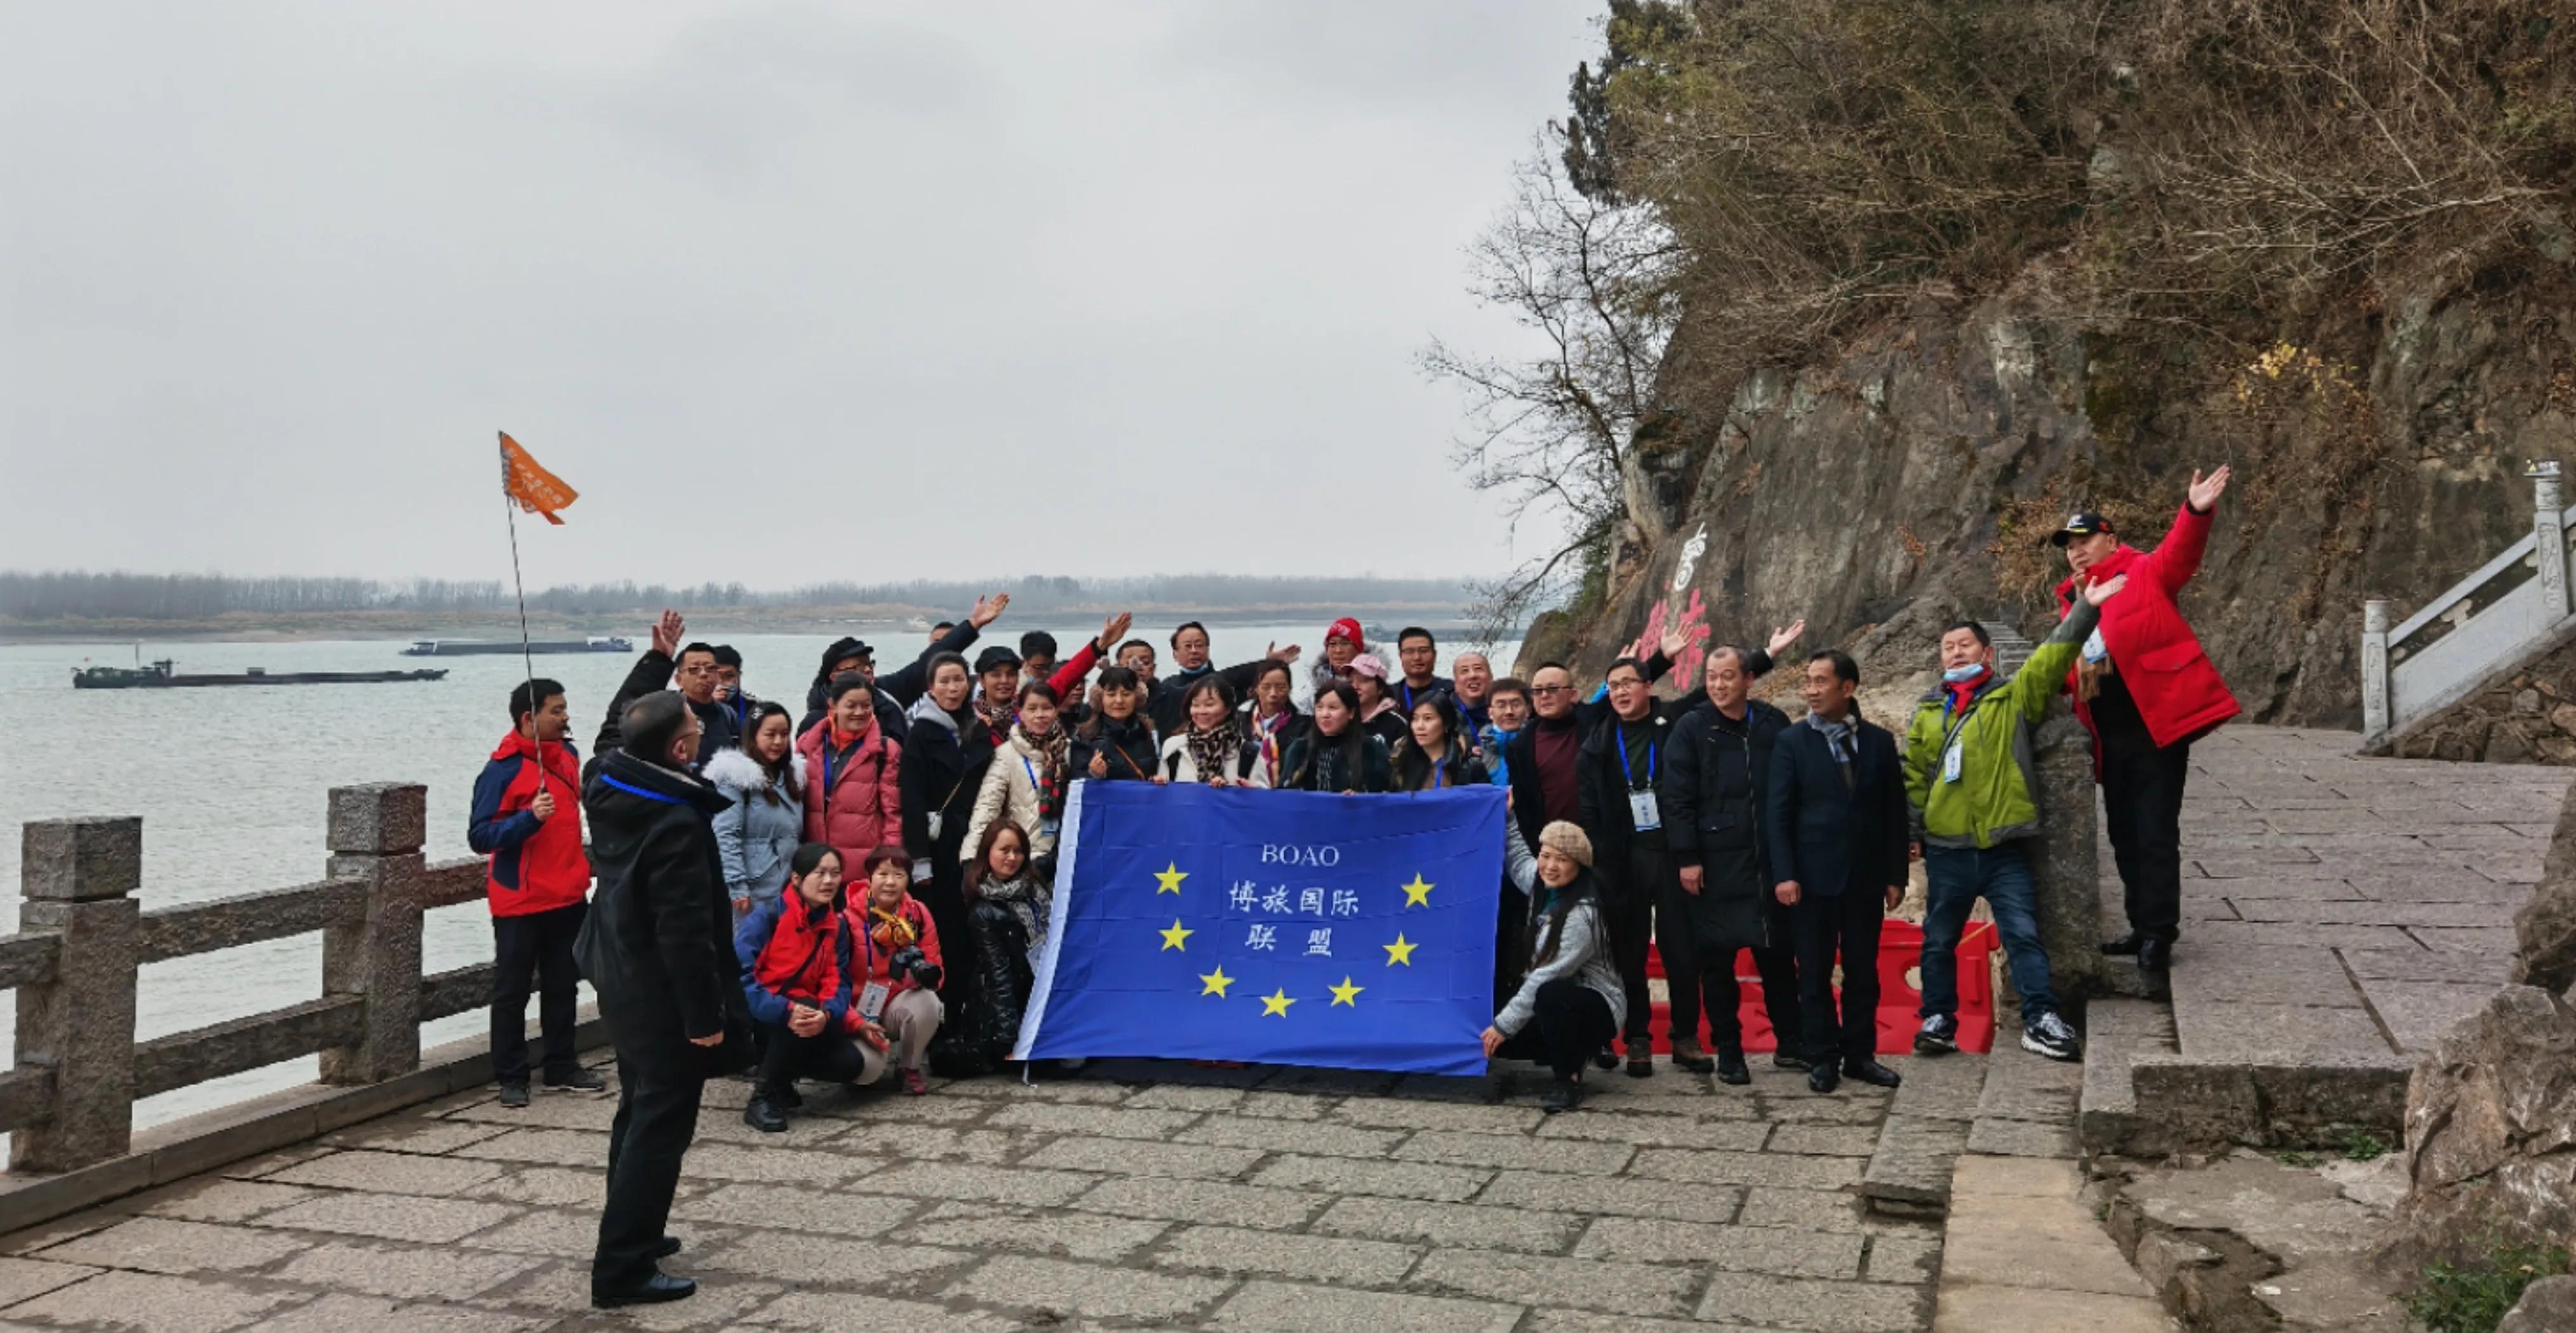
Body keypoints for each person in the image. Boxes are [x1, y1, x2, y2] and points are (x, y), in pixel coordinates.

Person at [1905, 576, 2128, 1063]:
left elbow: (2050, 657)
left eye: (1965, 644)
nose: (1956, 652)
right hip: (1948, 848)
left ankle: (2040, 1017)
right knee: (1940, 938)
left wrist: (2085, 610)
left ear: (1987, 654)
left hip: (2004, 847)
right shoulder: (1927, 711)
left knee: (2023, 933)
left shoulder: (2012, 698)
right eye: (1948, 647)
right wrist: (1912, 831)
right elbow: (1915, 775)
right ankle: (1938, 1017)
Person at [577, 692, 748, 1309]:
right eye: (695, 724)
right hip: (658, 991)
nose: (702, 730)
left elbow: (607, 734)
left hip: (617, 974)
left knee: (637, 1109)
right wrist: (704, 1019)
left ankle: (634, 1229)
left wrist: (654, 663)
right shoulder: (674, 819)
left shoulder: (605, 782)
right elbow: (686, 933)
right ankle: (622, 1266)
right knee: (660, 1124)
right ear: (680, 748)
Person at [2055, 469, 2241, 975]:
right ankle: (2139, 923)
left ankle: (2160, 932)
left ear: (2110, 539)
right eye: (2068, 545)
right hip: (2107, 735)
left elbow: (2181, 552)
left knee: (2155, 830)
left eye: (2084, 539)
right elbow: (2073, 670)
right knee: (2122, 832)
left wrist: (2196, 510)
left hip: (2155, 726)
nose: (2076, 551)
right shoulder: (2073, 601)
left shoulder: (2143, 571)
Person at [1661, 635, 1812, 1083]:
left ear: (1748, 679)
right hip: (1713, 863)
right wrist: (1687, 856)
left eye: (1729, 676)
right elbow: (1677, 799)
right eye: (1711, 677)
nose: (1719, 685)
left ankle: (1791, 1042)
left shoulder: (1772, 722)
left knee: (1778, 958)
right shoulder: (1691, 727)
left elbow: (1794, 791)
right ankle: (1729, 1048)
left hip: (1768, 859)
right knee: (1718, 964)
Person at [1576, 651, 1729, 1077]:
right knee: (1629, 951)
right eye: (1614, 685)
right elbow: (1589, 809)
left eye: (1629, 682)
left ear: (1649, 686)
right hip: (1623, 858)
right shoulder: (1597, 741)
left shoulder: (1674, 722)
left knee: (1681, 948)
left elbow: (1712, 691)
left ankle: (1685, 1036)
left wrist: (1767, 655)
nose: (1622, 691)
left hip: (1671, 852)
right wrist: (1602, 858)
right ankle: (1638, 1037)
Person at [1764, 650, 1910, 1094]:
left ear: (1847, 687)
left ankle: (1860, 1055)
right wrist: (1784, 873)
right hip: (1810, 879)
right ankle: (1823, 1055)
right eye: (1807, 681)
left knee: (1863, 971)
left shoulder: (1880, 742)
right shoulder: (1792, 742)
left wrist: (1895, 874)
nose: (1810, 689)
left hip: (1864, 877)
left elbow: (1893, 813)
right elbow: (1779, 813)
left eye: (1820, 681)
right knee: (1813, 973)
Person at [467, 677, 601, 1109]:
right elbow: (481, 835)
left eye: (565, 709)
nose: (565, 717)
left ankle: (562, 1064)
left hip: (567, 893)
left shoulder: (570, 757)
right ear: (530, 717)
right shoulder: (501, 770)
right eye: (556, 710)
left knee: (564, 984)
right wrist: (529, 819)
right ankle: (511, 1074)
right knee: (512, 990)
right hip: (520, 900)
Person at [1482, 821, 1624, 1114]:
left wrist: (1503, 1026)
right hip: (1559, 999)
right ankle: (1568, 1050)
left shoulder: (1583, 914)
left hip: (1595, 1006)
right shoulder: (1542, 885)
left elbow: (1545, 975)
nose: (1550, 866)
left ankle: (1567, 1079)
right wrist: (1508, 819)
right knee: (1502, 1031)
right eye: (1546, 856)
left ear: (1579, 866)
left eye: (1562, 860)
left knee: (1549, 994)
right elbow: (1520, 859)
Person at [1503, 627, 1685, 854]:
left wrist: (1662, 658)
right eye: (1538, 691)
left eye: (1552, 689)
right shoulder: (1520, 746)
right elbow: (1525, 807)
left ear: (1573, 695)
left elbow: (1629, 691)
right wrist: (1538, 850)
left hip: (1605, 842)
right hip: (1555, 850)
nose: (1544, 696)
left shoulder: (1591, 721)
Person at [735, 845, 875, 1134]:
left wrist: (826, 1015)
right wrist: (784, 1010)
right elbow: (741, 977)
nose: (829, 881)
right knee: (801, 1009)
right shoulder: (768, 918)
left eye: (835, 873)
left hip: (808, 1014)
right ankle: (763, 1097)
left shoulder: (836, 926)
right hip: (763, 1018)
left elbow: (838, 982)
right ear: (797, 879)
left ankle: (783, 1079)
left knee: (850, 1064)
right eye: (819, 873)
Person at [899, 652, 991, 1020]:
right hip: (940, 849)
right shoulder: (921, 732)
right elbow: (912, 796)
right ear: (930, 688)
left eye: (959, 680)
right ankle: (946, 1015)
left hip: (979, 842)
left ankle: (979, 1013)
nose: (953, 688)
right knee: (947, 931)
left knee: (979, 928)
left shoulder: (979, 728)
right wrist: (919, 859)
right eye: (944, 682)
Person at [799, 593, 1010, 736]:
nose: (866, 671)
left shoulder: (887, 694)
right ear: (833, 676)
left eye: (868, 665)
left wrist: (972, 625)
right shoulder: (816, 720)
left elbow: (927, 661)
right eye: (855, 668)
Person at [845, 845, 948, 1095]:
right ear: (869, 877)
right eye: (883, 874)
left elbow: (936, 968)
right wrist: (853, 1021)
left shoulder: (918, 914)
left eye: (899, 875)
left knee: (928, 1002)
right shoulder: (848, 917)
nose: (890, 882)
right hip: (859, 1010)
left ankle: (909, 1068)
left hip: (896, 1001)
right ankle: (856, 1059)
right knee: (867, 1074)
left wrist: (922, 978)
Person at [593, 612, 737, 775]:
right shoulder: (664, 714)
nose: (704, 675)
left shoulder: (728, 714)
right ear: (678, 679)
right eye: (694, 669)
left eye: (710, 668)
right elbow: (619, 735)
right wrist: (658, 660)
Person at [706, 701, 805, 916]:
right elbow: (725, 834)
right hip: (752, 890)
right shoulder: (736, 779)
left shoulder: (792, 777)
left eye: (784, 734)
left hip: (788, 888)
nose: (779, 741)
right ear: (753, 736)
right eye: (770, 734)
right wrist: (736, 886)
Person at [962, 821, 1048, 1068]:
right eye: (1005, 850)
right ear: (988, 852)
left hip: (1038, 987)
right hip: (1006, 1006)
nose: (1012, 858)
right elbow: (999, 975)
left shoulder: (1036, 886)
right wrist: (1010, 1038)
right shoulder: (983, 911)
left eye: (1019, 851)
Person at [963, 681, 1073, 872]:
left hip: (1065, 854)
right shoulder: (1007, 754)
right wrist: (971, 856)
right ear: (1020, 712)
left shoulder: (1070, 751)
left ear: (1056, 711)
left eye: (1047, 708)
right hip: (1023, 856)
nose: (1040, 715)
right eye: (1032, 708)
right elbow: (988, 806)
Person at [796, 674, 902, 872]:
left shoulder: (886, 750)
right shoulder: (807, 744)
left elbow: (893, 815)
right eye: (851, 706)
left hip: (861, 868)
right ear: (833, 705)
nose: (860, 712)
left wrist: (889, 862)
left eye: (866, 705)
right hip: (815, 865)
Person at [1146, 621, 1296, 735]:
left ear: (1208, 649)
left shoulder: (1228, 685)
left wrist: (1269, 667)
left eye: (1199, 645)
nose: (1194, 651)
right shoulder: (1169, 687)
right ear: (1175, 654)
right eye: (1188, 646)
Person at [1279, 683, 1393, 793]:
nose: (1325, 714)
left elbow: (1387, 793)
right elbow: (1285, 792)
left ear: (1351, 713)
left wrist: (1360, 797)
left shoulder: (1370, 749)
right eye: (1319, 707)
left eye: (1333, 708)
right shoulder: (1300, 749)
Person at [1159, 678, 1271, 787]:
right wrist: (1159, 786)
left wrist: (1249, 792)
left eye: (1209, 705)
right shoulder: (1174, 748)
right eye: (1196, 705)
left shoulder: (1247, 753)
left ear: (1228, 709)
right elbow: (1164, 799)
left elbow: (1263, 801)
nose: (1201, 711)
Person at [1077, 665, 1160, 783]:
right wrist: (1094, 775)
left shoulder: (1147, 732)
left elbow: (1154, 771)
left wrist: (1155, 780)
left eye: (1126, 694)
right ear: (1100, 698)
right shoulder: (1085, 737)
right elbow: (1077, 784)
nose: (1119, 701)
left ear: (1137, 697)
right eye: (1111, 695)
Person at [1390, 693, 1489, 791]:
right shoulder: (1403, 766)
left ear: (1447, 723)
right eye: (1415, 719)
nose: (1419, 726)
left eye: (1428, 718)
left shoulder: (1469, 768)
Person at [1242, 659, 1309, 788]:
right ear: (1256, 689)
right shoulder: (1241, 722)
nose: (1273, 694)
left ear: (1290, 688)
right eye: (1266, 687)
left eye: (1281, 687)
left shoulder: (1304, 726)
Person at [1348, 654, 1410, 749]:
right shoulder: (1341, 719)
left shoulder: (1397, 724)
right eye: (1350, 682)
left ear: (1380, 688)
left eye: (1364, 681)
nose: (1355, 686)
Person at [1479, 677, 1532, 784]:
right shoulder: (1477, 753)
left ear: (1528, 710)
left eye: (1516, 705)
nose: (1509, 712)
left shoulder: (1538, 746)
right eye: (1501, 706)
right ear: (1490, 713)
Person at [1393, 627, 1454, 714]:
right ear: (1400, 656)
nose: (1417, 657)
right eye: (1410, 651)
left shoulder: (1451, 692)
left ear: (1434, 655)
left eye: (1424, 651)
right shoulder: (1389, 696)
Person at [1310, 616, 1365, 698]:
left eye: (1345, 644)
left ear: (1358, 649)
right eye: (1332, 644)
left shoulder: (1373, 685)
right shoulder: (1312, 688)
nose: (1338, 650)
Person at [709, 645, 755, 739]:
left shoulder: (753, 705)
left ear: (739, 676)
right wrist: (710, 705)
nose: (721, 682)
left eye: (729, 676)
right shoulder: (692, 707)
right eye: (716, 676)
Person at [1452, 652, 1495, 733]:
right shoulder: (1445, 716)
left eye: (1478, 669)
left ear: (1491, 677)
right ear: (1456, 683)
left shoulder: (1506, 711)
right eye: (1464, 671)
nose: (1472, 675)